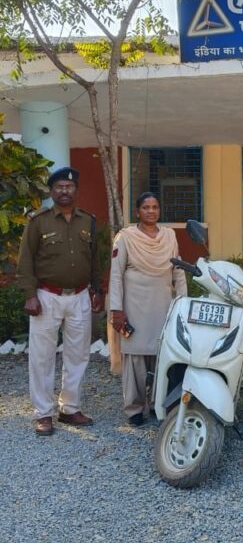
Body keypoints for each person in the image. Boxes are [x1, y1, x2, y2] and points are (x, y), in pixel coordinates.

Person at [16, 166, 104, 436]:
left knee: (78, 354)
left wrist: (98, 289)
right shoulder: (38, 221)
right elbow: (25, 261)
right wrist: (30, 295)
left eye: (69, 187)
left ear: (76, 190)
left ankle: (70, 408)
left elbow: (95, 258)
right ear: (52, 191)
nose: (64, 191)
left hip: (79, 296)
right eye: (59, 187)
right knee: (42, 357)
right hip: (47, 296)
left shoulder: (87, 221)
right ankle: (43, 413)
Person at [108, 192, 187, 426]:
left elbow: (178, 270)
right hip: (134, 307)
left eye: (155, 207)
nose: (151, 211)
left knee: (161, 354)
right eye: (145, 207)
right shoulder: (125, 237)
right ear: (137, 212)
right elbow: (115, 275)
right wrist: (116, 309)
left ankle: (156, 404)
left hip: (162, 305)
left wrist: (183, 303)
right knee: (135, 356)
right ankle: (134, 408)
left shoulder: (169, 236)